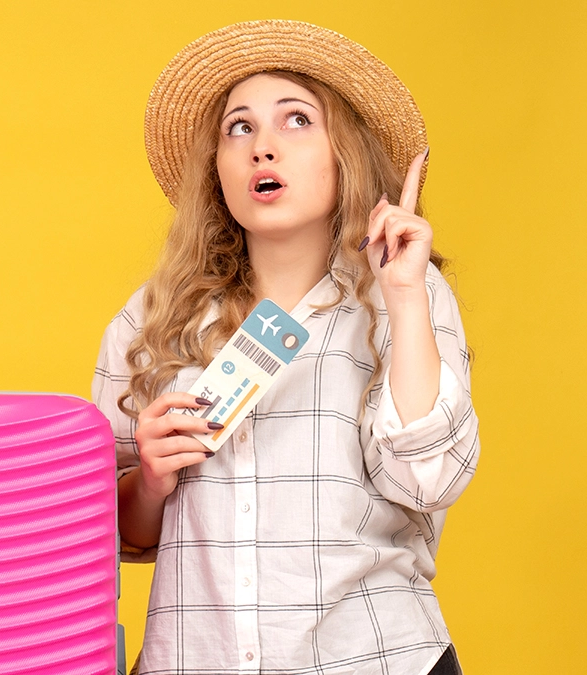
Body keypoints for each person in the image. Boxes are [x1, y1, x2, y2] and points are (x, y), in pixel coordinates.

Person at [92, 20, 479, 675]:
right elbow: (115, 536)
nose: (262, 148)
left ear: (344, 154)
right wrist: (151, 482)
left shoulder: (403, 291)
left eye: (297, 120)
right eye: (238, 128)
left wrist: (405, 296)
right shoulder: (152, 317)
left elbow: (427, 480)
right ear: (216, 168)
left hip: (373, 658)